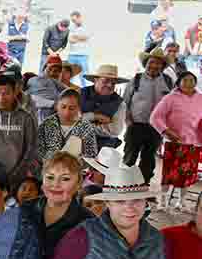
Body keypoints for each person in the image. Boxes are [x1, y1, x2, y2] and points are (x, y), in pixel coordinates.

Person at [150, 70, 202, 211]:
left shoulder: (200, 98)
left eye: (191, 80)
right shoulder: (170, 98)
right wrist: (166, 131)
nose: (188, 83)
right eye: (185, 80)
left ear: (195, 83)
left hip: (194, 143)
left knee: (187, 176)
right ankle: (162, 202)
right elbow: (155, 117)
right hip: (174, 142)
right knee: (168, 175)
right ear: (178, 82)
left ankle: (182, 202)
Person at [122, 48, 174, 184]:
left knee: (149, 159)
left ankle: (143, 186)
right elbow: (125, 103)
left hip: (156, 127)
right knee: (129, 157)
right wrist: (128, 122)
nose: (154, 66)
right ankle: (124, 186)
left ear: (162, 66)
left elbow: (172, 105)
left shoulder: (168, 81)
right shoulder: (136, 79)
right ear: (146, 63)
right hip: (136, 125)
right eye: (151, 62)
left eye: (158, 63)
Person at [37, 89, 98, 162]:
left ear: (78, 108)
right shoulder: (46, 125)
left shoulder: (86, 127)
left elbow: (91, 156)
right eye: (63, 107)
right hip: (49, 170)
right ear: (56, 106)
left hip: (75, 170)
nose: (66, 112)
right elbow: (38, 152)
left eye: (71, 108)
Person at [80, 64, 127, 150]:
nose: (109, 85)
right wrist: (94, 116)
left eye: (113, 83)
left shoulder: (120, 104)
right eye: (105, 81)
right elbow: (68, 118)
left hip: (103, 149)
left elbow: (115, 130)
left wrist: (83, 123)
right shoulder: (79, 94)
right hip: (75, 143)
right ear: (95, 80)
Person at [27, 55, 66, 123]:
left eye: (56, 71)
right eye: (50, 69)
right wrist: (53, 104)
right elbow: (30, 98)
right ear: (44, 68)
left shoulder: (59, 85)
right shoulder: (35, 80)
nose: (52, 73)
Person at [67, 12, 91, 86]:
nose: (73, 22)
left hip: (83, 55)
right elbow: (70, 40)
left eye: (74, 20)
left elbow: (86, 37)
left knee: (84, 76)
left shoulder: (87, 26)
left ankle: (85, 93)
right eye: (72, 21)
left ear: (79, 17)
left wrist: (76, 37)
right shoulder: (71, 27)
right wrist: (80, 38)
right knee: (69, 76)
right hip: (72, 55)